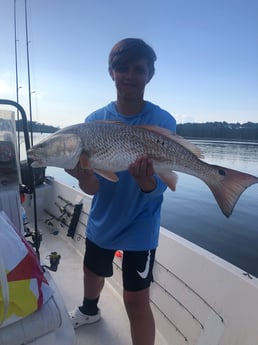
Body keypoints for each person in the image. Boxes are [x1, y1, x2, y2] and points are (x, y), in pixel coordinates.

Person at [66, 38, 176, 345]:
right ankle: (90, 310)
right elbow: (92, 187)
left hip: (142, 222)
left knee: (135, 298)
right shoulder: (92, 123)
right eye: (122, 68)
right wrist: (81, 174)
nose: (129, 75)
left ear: (149, 75)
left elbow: (158, 189)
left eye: (138, 69)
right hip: (104, 217)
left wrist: (146, 182)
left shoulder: (163, 121)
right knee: (91, 270)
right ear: (111, 72)